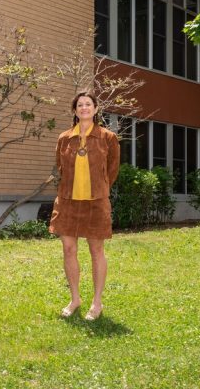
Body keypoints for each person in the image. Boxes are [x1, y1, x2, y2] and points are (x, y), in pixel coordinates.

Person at [49, 92, 119, 321]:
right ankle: (75, 299)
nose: (84, 108)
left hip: (95, 202)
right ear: (75, 110)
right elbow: (60, 167)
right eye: (80, 105)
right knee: (68, 249)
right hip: (68, 201)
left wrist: (100, 187)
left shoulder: (107, 137)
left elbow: (112, 169)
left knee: (96, 251)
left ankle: (97, 302)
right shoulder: (64, 138)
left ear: (96, 109)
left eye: (88, 104)